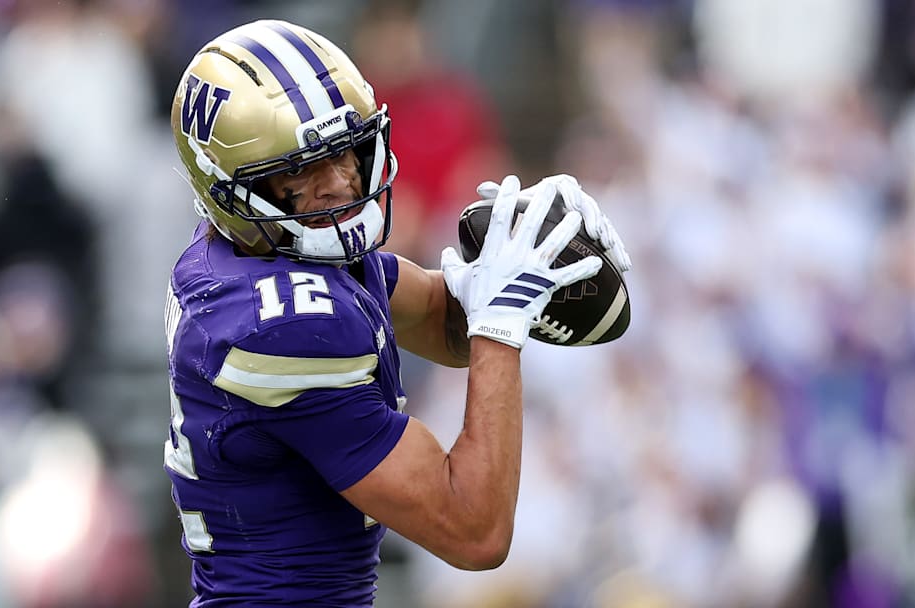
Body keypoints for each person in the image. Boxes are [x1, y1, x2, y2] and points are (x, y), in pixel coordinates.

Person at [163, 19, 631, 607]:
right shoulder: (279, 324)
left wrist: (529, 253)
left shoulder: (260, 248)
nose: (339, 182)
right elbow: (475, 531)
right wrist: (502, 317)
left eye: (344, 151)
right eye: (300, 169)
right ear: (228, 190)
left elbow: (442, 322)